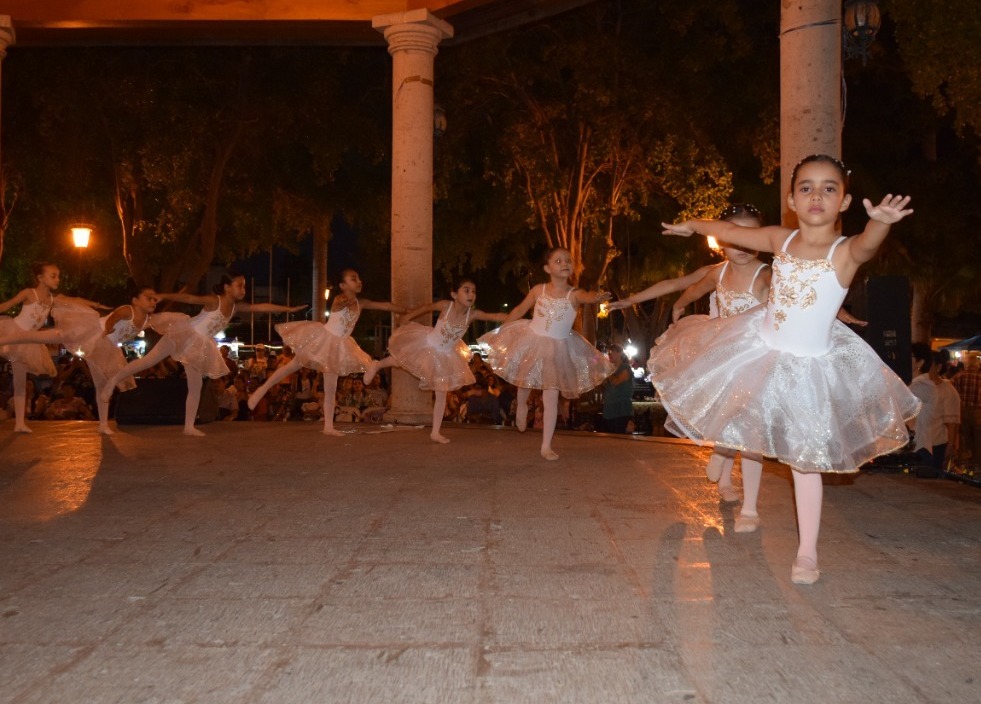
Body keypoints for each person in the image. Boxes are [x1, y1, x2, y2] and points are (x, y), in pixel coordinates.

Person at [656, 154, 919, 584]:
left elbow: (869, 244)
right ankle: (732, 473)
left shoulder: (845, 251)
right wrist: (695, 225)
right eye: (807, 188)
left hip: (810, 369)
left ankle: (807, 554)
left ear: (845, 201)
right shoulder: (781, 238)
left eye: (829, 188)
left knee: (805, 461)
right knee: (742, 417)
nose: (817, 196)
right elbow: (729, 232)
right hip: (759, 346)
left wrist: (882, 222)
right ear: (792, 199)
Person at [612, 203, 771, 518]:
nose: (740, 244)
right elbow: (680, 285)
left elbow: (795, 298)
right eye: (733, 236)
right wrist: (648, 301)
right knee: (730, 418)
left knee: (751, 430)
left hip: (756, 358)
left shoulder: (767, 273)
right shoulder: (718, 272)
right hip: (723, 357)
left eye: (750, 236)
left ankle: (750, 507)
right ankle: (725, 470)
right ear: (720, 239)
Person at [101, 273, 305, 436]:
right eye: (240, 285)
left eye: (244, 286)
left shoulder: (234, 307)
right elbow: (189, 298)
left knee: (196, 385)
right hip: (184, 333)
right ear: (226, 287)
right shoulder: (213, 300)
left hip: (198, 345)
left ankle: (189, 426)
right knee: (149, 361)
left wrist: (289, 308)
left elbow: (260, 307)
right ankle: (112, 382)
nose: (244, 289)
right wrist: (165, 296)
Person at [478, 247, 613, 460]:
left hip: (559, 348)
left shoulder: (574, 294)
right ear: (547, 268)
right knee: (525, 378)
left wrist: (597, 297)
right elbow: (519, 310)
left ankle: (546, 446)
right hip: (533, 339)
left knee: (551, 396)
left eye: (568, 260)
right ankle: (521, 406)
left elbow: (587, 296)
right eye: (558, 261)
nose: (565, 263)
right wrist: (502, 329)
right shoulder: (538, 290)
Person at [246, 268, 404, 435]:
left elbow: (385, 305)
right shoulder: (339, 299)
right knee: (292, 366)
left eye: (358, 278)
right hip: (324, 340)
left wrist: (405, 310)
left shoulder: (361, 302)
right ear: (343, 285)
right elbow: (345, 302)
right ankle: (260, 391)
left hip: (340, 345)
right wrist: (349, 298)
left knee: (331, 387)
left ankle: (328, 426)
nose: (359, 281)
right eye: (353, 279)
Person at [2, 284, 160, 434]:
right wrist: (108, 327)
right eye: (148, 298)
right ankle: (6, 339)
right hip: (94, 333)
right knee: (58, 335)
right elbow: (114, 317)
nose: (153, 301)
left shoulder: (146, 319)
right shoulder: (128, 310)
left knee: (101, 384)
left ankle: (103, 425)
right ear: (135, 300)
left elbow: (153, 323)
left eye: (154, 299)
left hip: (106, 348)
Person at [363, 279, 507, 443]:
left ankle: (435, 432)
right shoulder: (446, 306)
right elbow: (426, 308)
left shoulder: (472, 314)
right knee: (400, 361)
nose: (471, 294)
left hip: (445, 355)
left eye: (473, 291)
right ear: (454, 294)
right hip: (429, 344)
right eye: (466, 290)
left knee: (441, 393)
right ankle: (378, 364)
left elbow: (495, 315)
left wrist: (516, 315)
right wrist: (408, 317)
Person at [0, 262, 92, 433]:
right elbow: (6, 306)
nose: (58, 279)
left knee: (20, 381)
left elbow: (74, 301)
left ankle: (19, 423)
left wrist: (96, 304)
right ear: (40, 278)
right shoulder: (29, 293)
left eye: (58, 275)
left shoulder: (52, 299)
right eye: (53, 275)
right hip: (13, 333)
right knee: (18, 379)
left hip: (27, 342)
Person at [951, 356, 981, 466]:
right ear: (977, 365)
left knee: (963, 436)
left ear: (966, 365)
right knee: (978, 438)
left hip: (962, 410)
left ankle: (962, 462)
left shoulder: (959, 376)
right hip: (978, 412)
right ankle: (978, 463)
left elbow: (951, 393)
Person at [601, 344, 635, 434]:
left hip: (621, 410)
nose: (609, 355)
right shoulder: (611, 369)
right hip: (609, 409)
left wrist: (609, 372)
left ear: (619, 353)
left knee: (621, 436)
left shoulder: (625, 368)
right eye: (608, 352)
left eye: (611, 352)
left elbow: (616, 382)